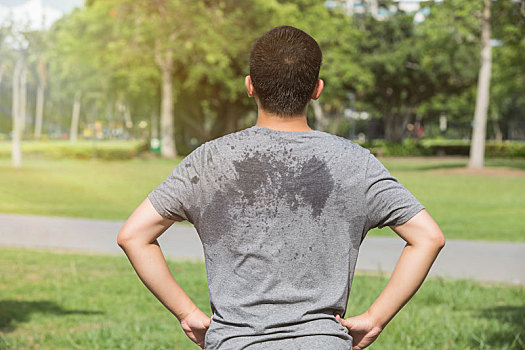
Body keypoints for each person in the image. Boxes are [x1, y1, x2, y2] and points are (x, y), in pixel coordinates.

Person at [117, 25, 445, 350]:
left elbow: (134, 236)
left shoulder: (210, 160)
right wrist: (376, 317)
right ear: (317, 89)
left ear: (250, 86)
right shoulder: (354, 162)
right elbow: (428, 237)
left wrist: (187, 313)